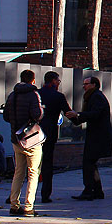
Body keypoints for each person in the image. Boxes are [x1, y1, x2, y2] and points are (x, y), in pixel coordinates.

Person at [3, 69, 45, 216]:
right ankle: (29, 206)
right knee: (33, 172)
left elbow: (6, 117)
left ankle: (14, 204)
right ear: (33, 80)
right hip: (31, 140)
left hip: (16, 139)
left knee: (18, 172)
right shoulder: (34, 95)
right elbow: (37, 115)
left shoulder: (13, 95)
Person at [67, 75, 112, 201]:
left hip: (98, 136)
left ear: (94, 85)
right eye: (84, 84)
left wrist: (78, 114)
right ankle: (97, 191)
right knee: (91, 163)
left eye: (86, 84)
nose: (84, 86)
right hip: (96, 135)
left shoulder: (97, 97)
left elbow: (94, 114)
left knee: (88, 162)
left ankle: (89, 191)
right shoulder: (92, 96)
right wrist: (76, 117)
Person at [37, 71, 72, 203]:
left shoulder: (37, 94)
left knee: (28, 164)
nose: (58, 83)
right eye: (58, 81)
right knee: (47, 163)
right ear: (52, 81)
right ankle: (45, 194)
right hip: (50, 133)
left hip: (34, 133)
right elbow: (67, 112)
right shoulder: (58, 96)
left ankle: (16, 193)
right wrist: (78, 118)